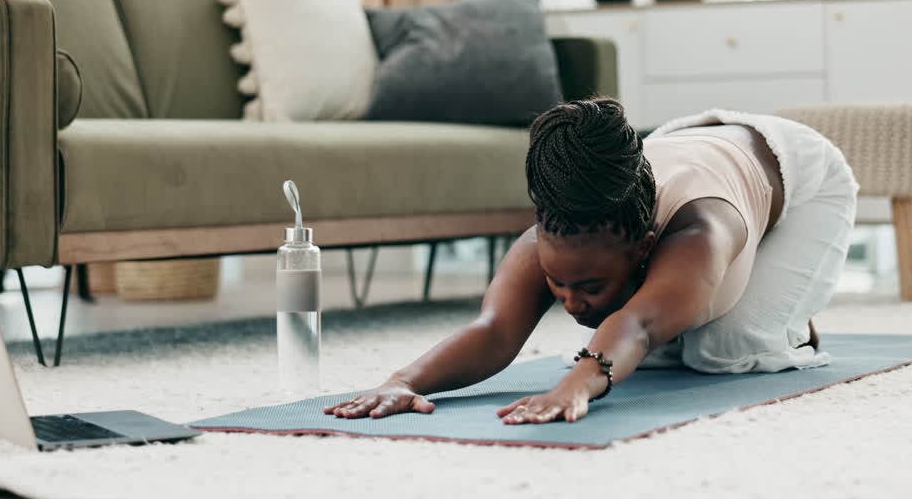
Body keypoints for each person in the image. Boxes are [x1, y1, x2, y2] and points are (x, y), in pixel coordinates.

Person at [324, 98, 858, 425]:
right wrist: (403, 381)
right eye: (557, 283)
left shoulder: (700, 230)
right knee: (647, 347)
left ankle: (788, 320)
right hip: (686, 145)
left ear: (644, 247)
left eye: (591, 286)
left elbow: (637, 325)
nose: (572, 304)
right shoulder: (555, 234)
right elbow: (494, 329)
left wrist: (580, 381)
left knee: (724, 349)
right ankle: (704, 295)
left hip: (797, 177)